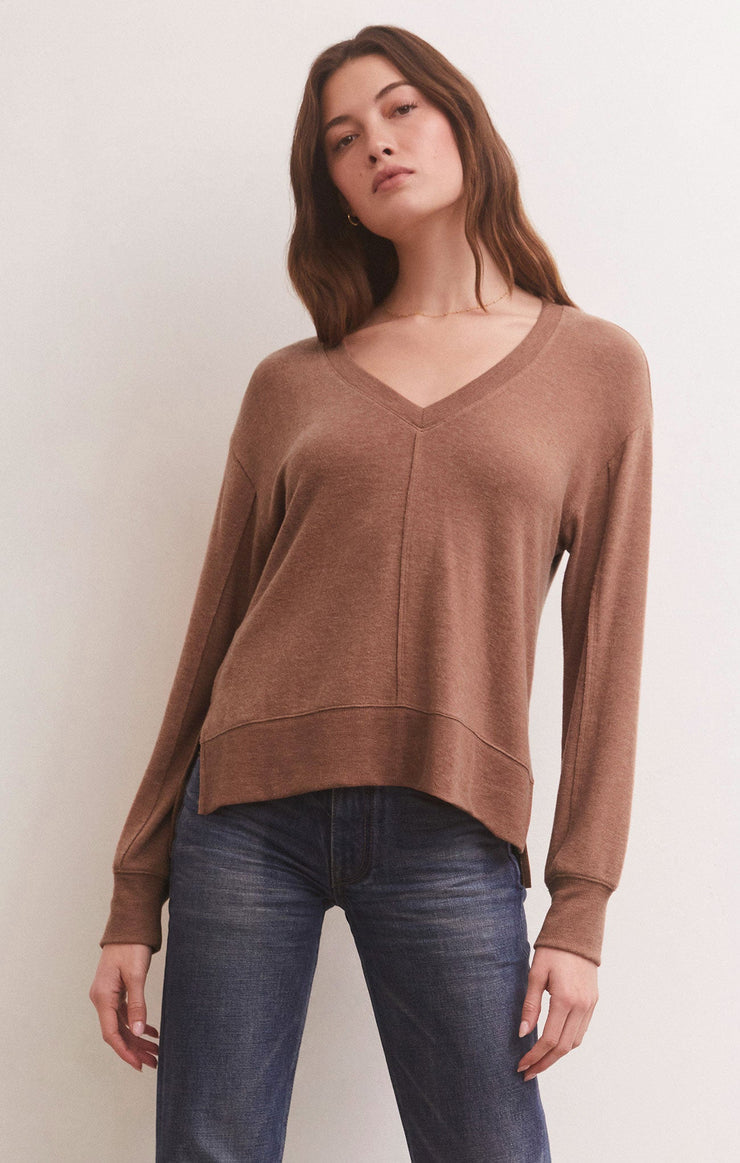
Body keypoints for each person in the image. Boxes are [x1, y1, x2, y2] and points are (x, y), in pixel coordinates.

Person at [89, 24, 653, 1163]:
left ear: (462, 123)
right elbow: (211, 638)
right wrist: (132, 891)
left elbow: (607, 653)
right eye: (343, 140)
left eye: (400, 110)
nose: (377, 146)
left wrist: (580, 906)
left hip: (451, 818)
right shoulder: (289, 385)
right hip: (244, 814)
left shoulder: (596, 369)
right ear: (334, 191)